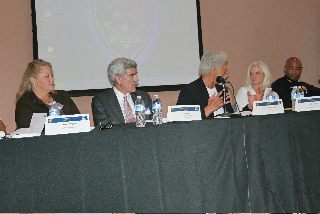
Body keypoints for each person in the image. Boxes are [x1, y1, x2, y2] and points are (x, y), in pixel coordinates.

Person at [15, 59, 80, 129]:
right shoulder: (25, 103)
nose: (52, 79)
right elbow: (26, 131)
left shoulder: (62, 95)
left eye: (52, 76)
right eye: (47, 76)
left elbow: (79, 120)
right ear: (33, 80)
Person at [92, 57, 152, 125]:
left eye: (136, 75)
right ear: (118, 79)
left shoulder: (144, 97)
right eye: (132, 75)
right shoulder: (101, 101)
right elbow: (104, 131)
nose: (136, 79)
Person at [176, 50, 233, 118]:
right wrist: (209, 109)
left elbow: (231, 117)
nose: (227, 71)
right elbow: (182, 120)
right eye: (225, 68)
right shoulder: (189, 92)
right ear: (213, 71)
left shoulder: (222, 90)